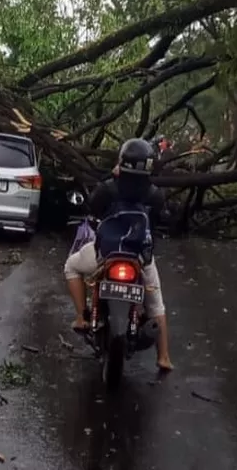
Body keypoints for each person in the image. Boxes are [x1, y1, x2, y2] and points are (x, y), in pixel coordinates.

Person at [63, 138, 173, 371]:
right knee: (157, 306)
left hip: (105, 256)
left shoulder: (109, 188)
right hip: (140, 260)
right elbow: (159, 220)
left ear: (122, 161)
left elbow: (93, 207)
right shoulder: (154, 194)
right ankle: (163, 357)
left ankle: (82, 318)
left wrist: (112, 177)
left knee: (71, 267)